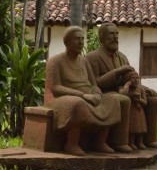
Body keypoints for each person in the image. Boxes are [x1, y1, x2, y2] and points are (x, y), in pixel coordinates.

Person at [45, 26, 127, 156]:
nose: (81, 42)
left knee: (113, 100)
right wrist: (82, 95)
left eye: (82, 39)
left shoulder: (83, 61)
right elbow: (55, 88)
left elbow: (94, 84)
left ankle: (100, 142)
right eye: (77, 39)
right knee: (77, 103)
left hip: (87, 95)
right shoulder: (55, 61)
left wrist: (97, 94)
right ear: (67, 42)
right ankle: (71, 144)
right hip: (62, 98)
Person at [86, 22, 157, 148]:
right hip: (105, 93)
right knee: (123, 99)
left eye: (117, 34)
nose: (115, 37)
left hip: (125, 89)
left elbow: (130, 78)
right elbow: (95, 82)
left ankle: (149, 139)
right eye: (111, 34)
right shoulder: (93, 57)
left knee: (153, 99)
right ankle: (120, 141)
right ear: (101, 37)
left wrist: (143, 88)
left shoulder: (122, 57)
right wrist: (117, 72)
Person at [119, 70, 147, 149]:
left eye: (137, 78)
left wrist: (138, 100)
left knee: (141, 127)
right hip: (131, 111)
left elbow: (145, 102)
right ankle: (131, 143)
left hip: (139, 111)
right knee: (132, 127)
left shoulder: (141, 88)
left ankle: (140, 142)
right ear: (128, 79)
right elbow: (123, 94)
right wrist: (127, 85)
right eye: (133, 78)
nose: (135, 80)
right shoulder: (124, 87)